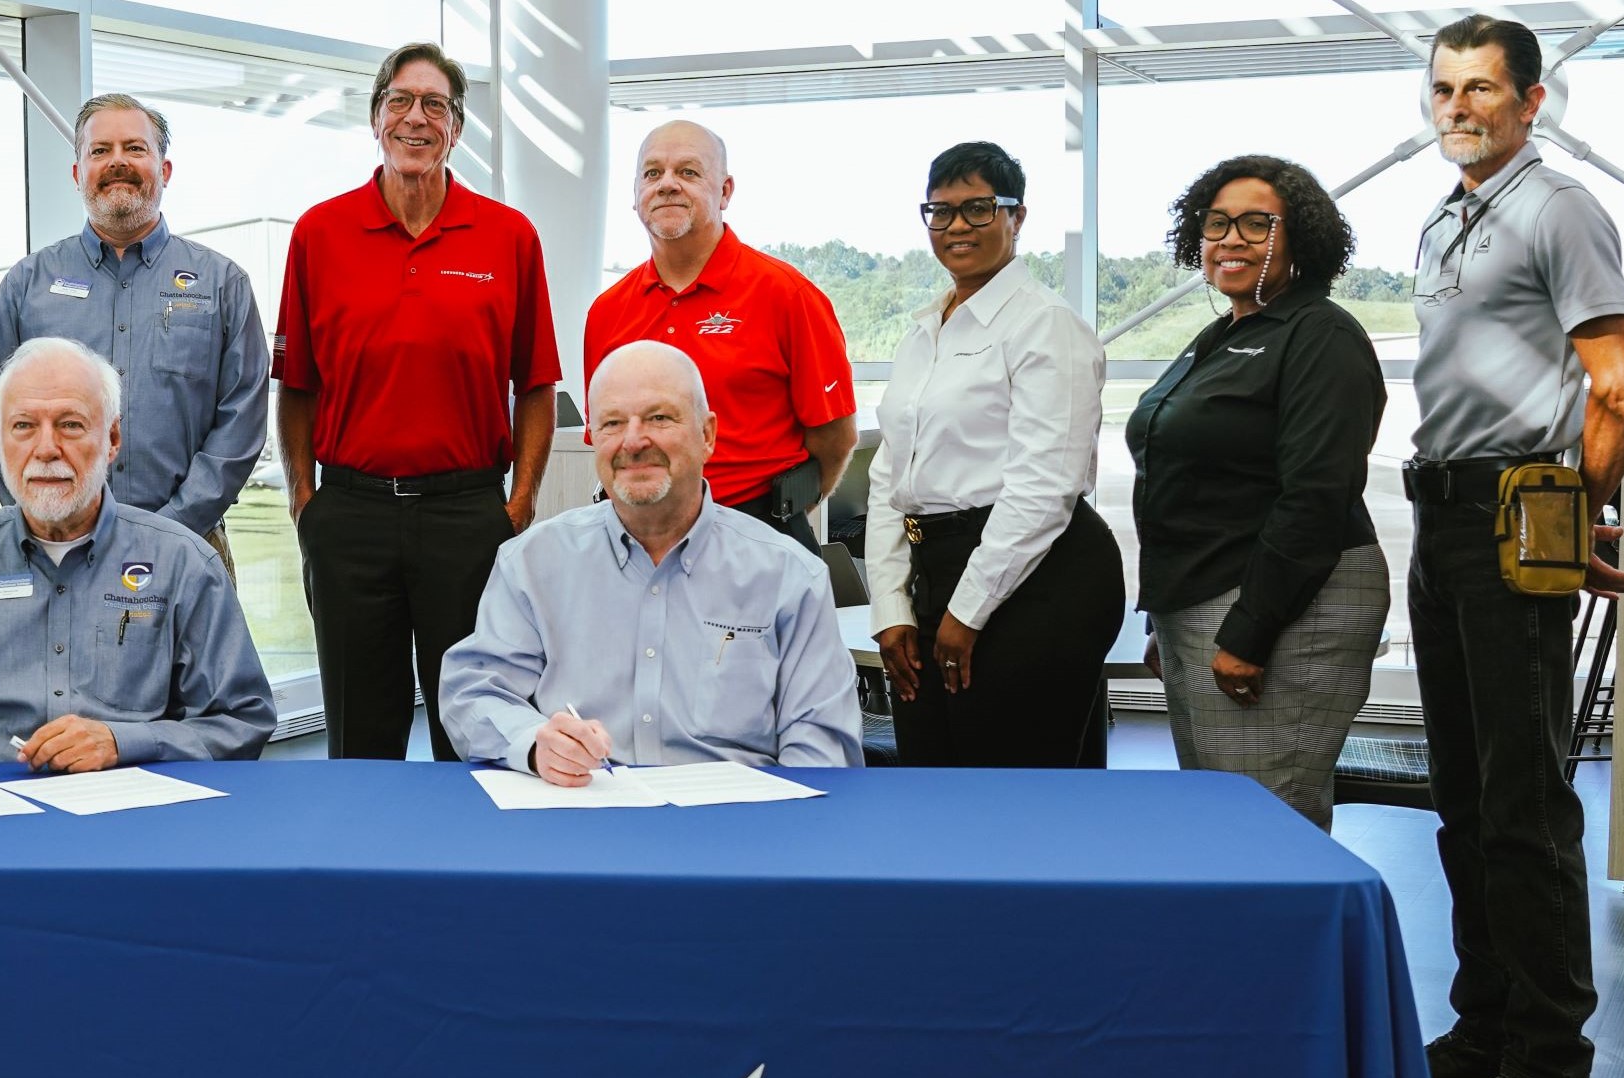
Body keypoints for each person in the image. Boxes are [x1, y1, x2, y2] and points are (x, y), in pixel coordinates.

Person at [1405, 15, 1624, 1078]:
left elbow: (1620, 383)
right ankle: (1486, 1027)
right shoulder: (1446, 217)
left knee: (1524, 807)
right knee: (1462, 797)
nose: (1458, 105)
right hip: (1441, 515)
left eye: (1481, 89)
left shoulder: (1557, 211)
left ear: (1531, 101)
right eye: (1443, 87)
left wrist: (1579, 515)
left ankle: (1550, 1072)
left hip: (1512, 519)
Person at [0, 337, 275, 784]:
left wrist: (125, 741)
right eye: (24, 426)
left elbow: (241, 722)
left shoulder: (185, 566)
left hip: (132, 821)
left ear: (111, 438)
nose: (46, 448)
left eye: (71, 425)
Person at [275, 42, 559, 762]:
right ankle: (361, 872)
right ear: (376, 118)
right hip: (350, 516)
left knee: (475, 728)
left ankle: (473, 871)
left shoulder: (509, 237)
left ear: (456, 129)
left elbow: (536, 386)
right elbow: (297, 385)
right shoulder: (319, 233)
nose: (416, 118)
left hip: (466, 515)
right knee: (359, 739)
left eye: (436, 105)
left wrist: (518, 502)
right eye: (400, 101)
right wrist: (305, 499)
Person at [440, 341, 862, 784]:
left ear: (707, 435)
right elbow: (473, 690)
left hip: (734, 832)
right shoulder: (531, 564)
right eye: (612, 423)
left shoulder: (788, 577)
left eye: (659, 418)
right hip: (581, 819)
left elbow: (823, 749)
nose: (634, 440)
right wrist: (531, 742)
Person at [1125, 156, 1387, 829]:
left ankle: (1289, 940)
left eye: (1256, 224)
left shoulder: (1320, 334)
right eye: (1217, 224)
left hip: (1282, 606)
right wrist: (1166, 616)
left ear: (1301, 238)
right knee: (1221, 820)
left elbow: (1317, 495)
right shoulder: (1224, 335)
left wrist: (1251, 630)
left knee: (1265, 822)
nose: (1232, 239)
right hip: (1207, 598)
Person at [865, 142, 1123, 768]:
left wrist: (967, 612)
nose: (957, 226)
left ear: (1017, 218)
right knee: (930, 775)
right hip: (938, 571)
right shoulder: (924, 331)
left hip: (1039, 579)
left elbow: (1044, 488)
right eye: (941, 211)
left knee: (1015, 791)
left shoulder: (1044, 325)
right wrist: (892, 606)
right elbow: (888, 476)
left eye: (979, 209)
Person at [0, 93, 267, 579]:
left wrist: (172, 528)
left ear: (165, 169)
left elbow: (242, 419)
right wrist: (42, 515)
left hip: (191, 546)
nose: (117, 163)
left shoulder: (222, 284)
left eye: (135, 148)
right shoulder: (27, 284)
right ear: (77, 173)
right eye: (99, 151)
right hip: (53, 549)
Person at [585, 120, 856, 552]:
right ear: (635, 194)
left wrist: (769, 519)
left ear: (726, 191)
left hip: (759, 532)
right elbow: (608, 438)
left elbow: (834, 437)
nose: (668, 184)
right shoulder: (607, 311)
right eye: (653, 173)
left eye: (689, 172)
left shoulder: (787, 295)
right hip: (636, 541)